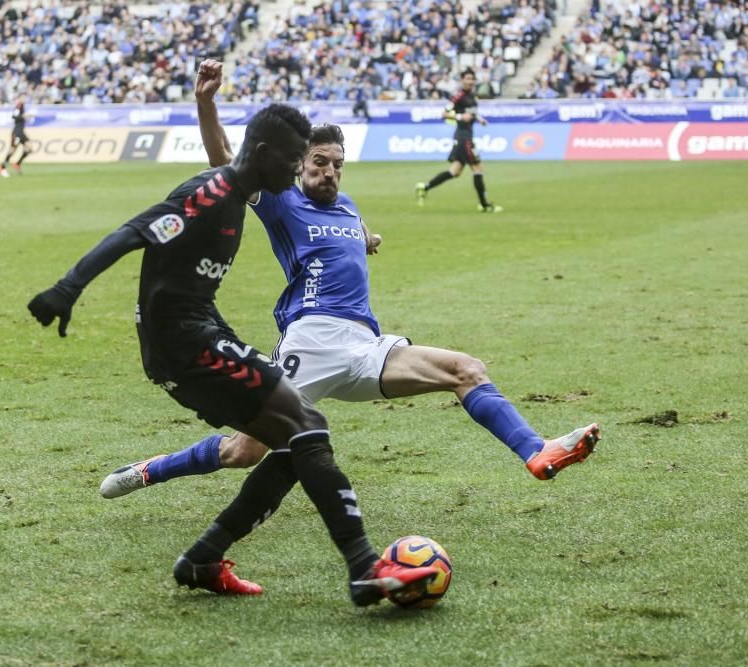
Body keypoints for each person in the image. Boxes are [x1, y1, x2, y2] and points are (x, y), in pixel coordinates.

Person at [98, 64, 600, 502]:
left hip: (366, 344)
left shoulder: (346, 206)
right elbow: (222, 158)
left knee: (466, 369)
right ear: (299, 165)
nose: (331, 172)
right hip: (312, 340)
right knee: (242, 450)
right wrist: (206, 102)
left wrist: (367, 238)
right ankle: (149, 470)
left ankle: (536, 451)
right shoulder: (279, 200)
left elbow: (350, 237)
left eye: (338, 164)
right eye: (320, 162)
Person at [27, 91, 439, 606]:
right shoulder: (210, 192)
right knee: (306, 424)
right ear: (265, 152)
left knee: (292, 440)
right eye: (293, 161)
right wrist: (68, 288)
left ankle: (204, 558)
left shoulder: (243, 195)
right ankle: (362, 569)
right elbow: (136, 231)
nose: (295, 173)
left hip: (201, 332)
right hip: (184, 343)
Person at [415, 68, 501, 213]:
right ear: (462, 80)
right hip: (463, 137)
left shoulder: (472, 95)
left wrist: (479, 119)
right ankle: (484, 205)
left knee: (455, 172)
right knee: (477, 169)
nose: (471, 81)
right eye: (468, 78)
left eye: (472, 79)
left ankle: (424, 187)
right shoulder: (458, 96)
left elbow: (471, 113)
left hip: (466, 136)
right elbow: (444, 114)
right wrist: (460, 117)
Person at [0, 94, 34, 177]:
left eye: (26, 97)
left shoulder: (22, 106)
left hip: (21, 132)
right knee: (12, 150)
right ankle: (2, 168)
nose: (25, 99)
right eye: (23, 97)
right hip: (16, 132)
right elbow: (14, 116)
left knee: (29, 148)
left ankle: (17, 164)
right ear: (20, 98)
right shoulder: (18, 106)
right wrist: (24, 116)